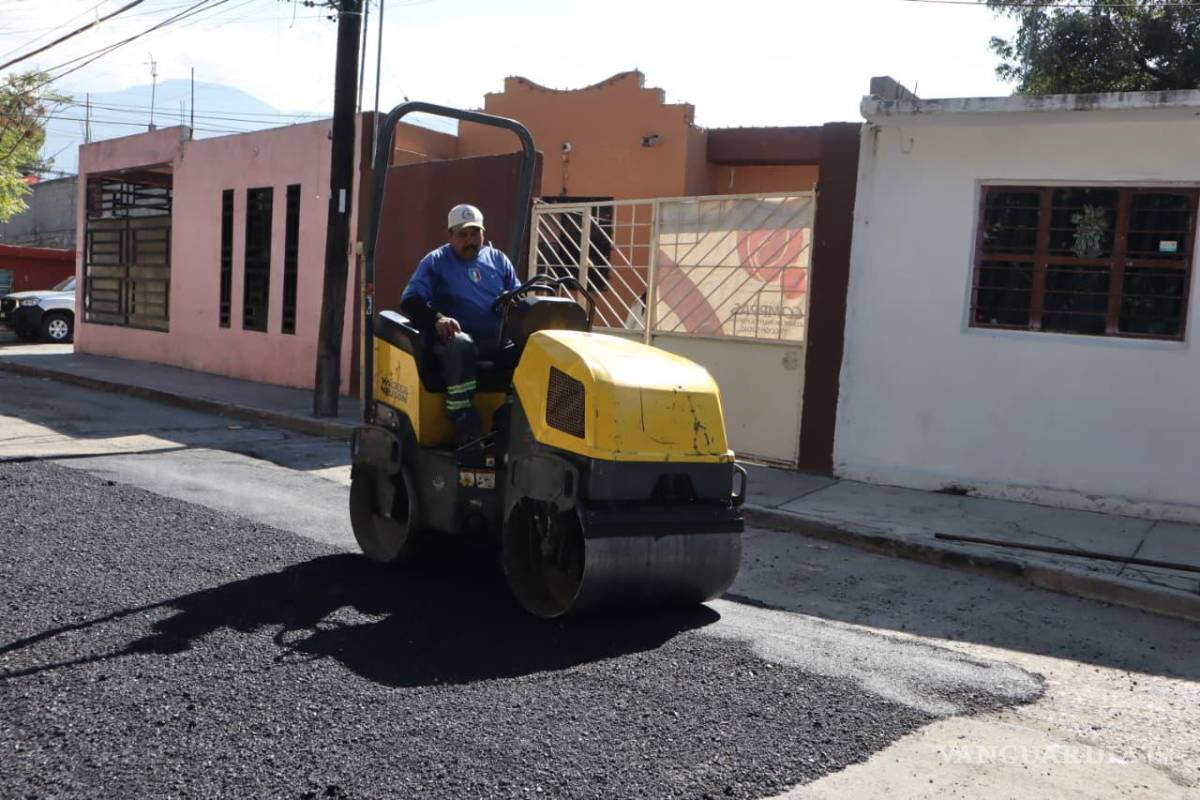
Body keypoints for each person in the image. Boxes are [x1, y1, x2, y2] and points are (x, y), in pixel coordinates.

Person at [400, 203, 519, 445]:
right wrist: (437, 319)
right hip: (453, 341)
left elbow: (517, 296)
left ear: (483, 234)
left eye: (475, 233)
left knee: (530, 348)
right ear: (450, 235)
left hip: (494, 340)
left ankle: (509, 416)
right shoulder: (436, 261)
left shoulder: (498, 260)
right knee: (462, 344)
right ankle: (462, 415)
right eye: (463, 234)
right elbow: (411, 300)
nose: (470, 240)